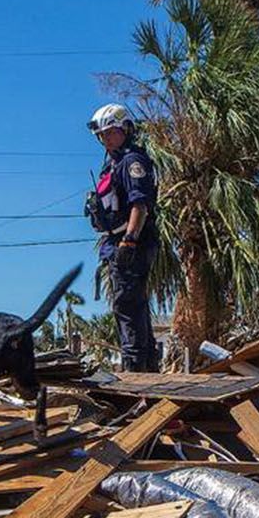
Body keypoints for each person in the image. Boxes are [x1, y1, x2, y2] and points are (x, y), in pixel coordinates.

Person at [84, 102, 161, 372]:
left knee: (128, 307)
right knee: (132, 307)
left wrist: (129, 240)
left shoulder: (132, 162)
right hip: (115, 242)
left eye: (111, 132)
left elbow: (140, 205)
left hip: (131, 243)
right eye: (102, 135)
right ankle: (146, 371)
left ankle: (136, 373)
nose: (105, 139)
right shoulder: (113, 163)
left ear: (125, 129)